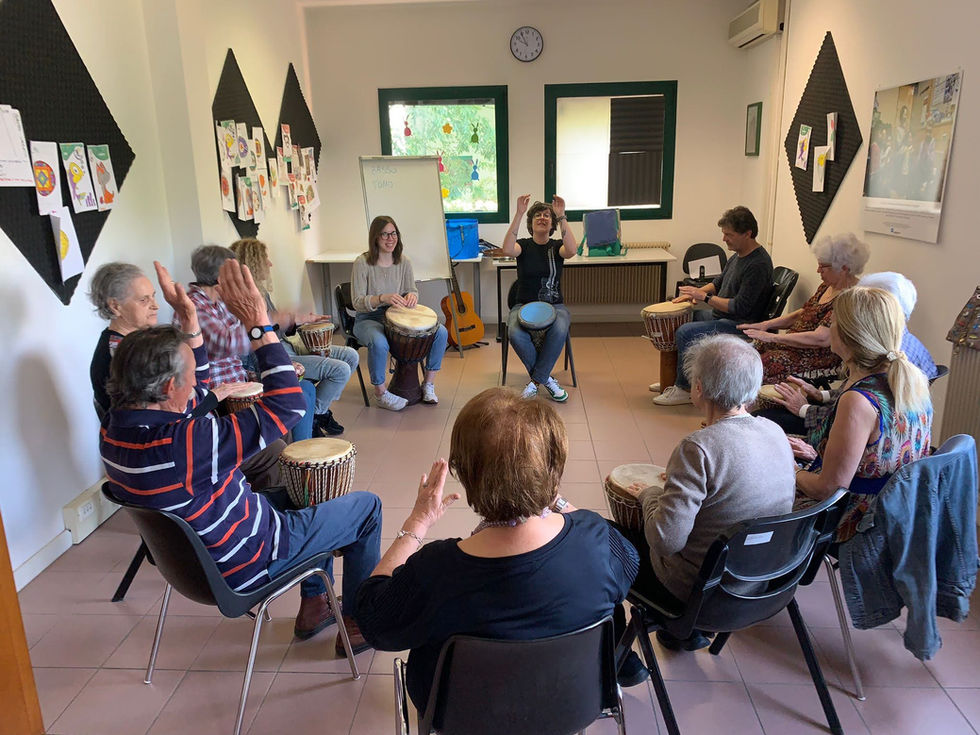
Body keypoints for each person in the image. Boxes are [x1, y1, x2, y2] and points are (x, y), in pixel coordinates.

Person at [100, 258, 382, 651]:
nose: (195, 387)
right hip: (251, 558)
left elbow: (196, 392)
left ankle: (316, 601)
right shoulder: (189, 443)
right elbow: (288, 405)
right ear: (167, 389)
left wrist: (188, 320)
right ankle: (360, 624)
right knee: (366, 508)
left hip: (195, 565)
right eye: (186, 378)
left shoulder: (114, 431)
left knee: (306, 487)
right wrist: (258, 322)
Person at [355, 387, 638, 709]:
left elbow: (372, 621)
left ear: (463, 473)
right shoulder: (598, 538)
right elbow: (630, 564)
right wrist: (552, 495)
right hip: (571, 702)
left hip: (462, 716)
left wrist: (418, 522)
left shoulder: (436, 570)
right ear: (554, 466)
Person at [616, 335, 795, 652]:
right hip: (761, 584)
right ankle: (682, 636)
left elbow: (665, 540)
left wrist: (650, 495)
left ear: (698, 388)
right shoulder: (775, 431)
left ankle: (615, 650)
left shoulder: (698, 448)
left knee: (607, 536)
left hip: (702, 594)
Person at [790, 287, 932, 543]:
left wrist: (791, 471)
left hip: (854, 521)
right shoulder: (912, 381)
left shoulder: (858, 401)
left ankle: (762, 578)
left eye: (832, 322)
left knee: (749, 492)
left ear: (848, 336)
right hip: (898, 514)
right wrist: (818, 457)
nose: (829, 328)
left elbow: (828, 489)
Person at [766, 271, 938, 436]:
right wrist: (821, 395)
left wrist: (803, 408)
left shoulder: (881, 365)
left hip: (839, 430)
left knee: (766, 417)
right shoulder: (891, 352)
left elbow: (848, 419)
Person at [179, 244, 319, 441]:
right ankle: (297, 456)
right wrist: (272, 320)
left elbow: (242, 343)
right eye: (234, 273)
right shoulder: (194, 306)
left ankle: (300, 453)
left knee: (304, 391)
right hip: (219, 396)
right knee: (297, 398)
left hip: (238, 381)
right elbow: (227, 343)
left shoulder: (218, 302)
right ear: (222, 277)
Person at [230, 238, 359, 436]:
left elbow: (275, 328)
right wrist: (286, 321)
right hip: (273, 358)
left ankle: (317, 413)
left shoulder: (260, 293)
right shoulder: (242, 302)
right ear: (254, 262)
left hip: (286, 345)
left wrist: (298, 321)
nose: (270, 264)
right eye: (266, 259)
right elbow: (257, 343)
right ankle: (315, 414)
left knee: (351, 355)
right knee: (340, 370)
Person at [653, 206, 773, 406]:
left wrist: (704, 297)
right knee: (681, 320)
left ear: (748, 234)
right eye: (723, 234)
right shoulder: (737, 255)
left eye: (729, 234)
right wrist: (692, 293)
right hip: (724, 317)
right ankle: (674, 380)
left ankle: (684, 389)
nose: (724, 239)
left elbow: (739, 308)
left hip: (741, 324)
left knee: (685, 332)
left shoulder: (758, 265)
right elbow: (718, 283)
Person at [738, 232, 868, 384]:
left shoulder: (850, 297)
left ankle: (754, 403)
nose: (818, 271)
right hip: (794, 344)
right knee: (747, 350)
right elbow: (804, 313)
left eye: (823, 267)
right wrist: (766, 324)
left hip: (816, 356)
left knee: (760, 364)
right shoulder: (827, 285)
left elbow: (821, 338)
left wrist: (773, 336)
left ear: (844, 268)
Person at [351, 216, 448, 411]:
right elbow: (357, 302)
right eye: (385, 234)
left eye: (393, 233)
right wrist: (381, 298)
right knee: (379, 342)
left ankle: (428, 384)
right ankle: (381, 393)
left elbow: (411, 289)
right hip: (368, 318)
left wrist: (412, 295)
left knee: (442, 332)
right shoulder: (362, 263)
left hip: (397, 315)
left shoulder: (404, 261)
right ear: (375, 237)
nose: (390, 238)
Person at [499, 194, 578, 402]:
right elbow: (507, 249)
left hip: (555, 306)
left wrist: (561, 216)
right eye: (537, 216)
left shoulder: (556, 247)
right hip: (523, 305)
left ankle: (535, 382)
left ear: (552, 223)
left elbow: (572, 250)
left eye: (546, 215)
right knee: (515, 332)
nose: (542, 218)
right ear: (531, 222)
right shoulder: (523, 246)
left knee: (560, 327)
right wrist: (518, 213)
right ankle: (547, 380)